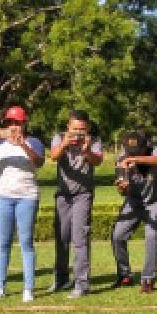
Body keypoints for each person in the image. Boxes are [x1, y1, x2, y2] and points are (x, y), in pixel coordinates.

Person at [0, 105, 45, 302]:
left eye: (18, 123)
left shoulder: (34, 142)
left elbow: (39, 162)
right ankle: (0, 287)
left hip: (27, 196)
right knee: (3, 243)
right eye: (10, 123)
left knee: (26, 243)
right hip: (3, 196)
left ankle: (28, 288)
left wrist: (22, 145)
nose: (14, 126)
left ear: (24, 124)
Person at [49, 110, 104, 297]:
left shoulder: (94, 141)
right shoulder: (59, 138)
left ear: (87, 128)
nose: (78, 133)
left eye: (82, 129)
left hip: (83, 195)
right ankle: (61, 278)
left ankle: (82, 283)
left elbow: (98, 161)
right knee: (62, 238)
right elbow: (54, 156)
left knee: (80, 239)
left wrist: (86, 150)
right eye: (75, 129)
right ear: (68, 127)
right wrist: (66, 143)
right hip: (63, 196)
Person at [110, 130, 157, 293]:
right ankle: (124, 275)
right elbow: (121, 189)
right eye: (130, 152)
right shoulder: (121, 158)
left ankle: (148, 278)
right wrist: (123, 188)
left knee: (151, 236)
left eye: (136, 151)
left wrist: (136, 159)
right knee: (117, 236)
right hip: (134, 201)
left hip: (156, 200)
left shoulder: (153, 149)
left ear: (146, 146)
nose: (131, 154)